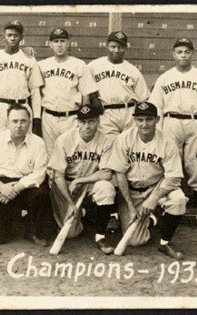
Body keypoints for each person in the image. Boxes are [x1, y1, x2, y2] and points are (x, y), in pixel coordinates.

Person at [148, 38, 197, 232]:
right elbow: (157, 107)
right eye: (179, 51)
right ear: (173, 55)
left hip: (196, 122)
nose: (183, 55)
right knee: (167, 168)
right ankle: (165, 211)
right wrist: (157, 133)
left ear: (192, 54)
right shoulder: (165, 77)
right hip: (170, 121)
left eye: (186, 51)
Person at [87, 31, 151, 233]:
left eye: (120, 46)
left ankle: (130, 206)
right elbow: (84, 90)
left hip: (128, 112)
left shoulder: (132, 70)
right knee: (111, 160)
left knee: (129, 158)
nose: (116, 50)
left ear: (126, 47)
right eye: (113, 46)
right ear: (106, 46)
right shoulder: (94, 66)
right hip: (106, 113)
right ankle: (112, 212)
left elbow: (143, 99)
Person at [106, 102, 187, 259]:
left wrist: (154, 199)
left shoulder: (167, 142)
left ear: (157, 119)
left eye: (149, 119)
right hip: (131, 191)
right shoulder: (124, 139)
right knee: (136, 241)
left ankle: (164, 243)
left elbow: (173, 175)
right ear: (134, 120)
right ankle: (151, 220)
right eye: (140, 119)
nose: (144, 124)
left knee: (179, 201)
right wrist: (130, 206)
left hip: (157, 187)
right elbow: (119, 174)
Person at [0, 103, 50, 246]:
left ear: (29, 123)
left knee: (41, 193)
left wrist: (15, 188)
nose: (19, 125)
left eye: (23, 121)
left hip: (22, 185)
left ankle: (32, 231)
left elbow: (39, 174)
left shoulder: (38, 143)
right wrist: (1, 187)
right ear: (7, 123)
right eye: (14, 121)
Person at [48, 104, 116, 254]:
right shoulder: (65, 139)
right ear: (77, 122)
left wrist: (79, 181)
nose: (87, 126)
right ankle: (85, 212)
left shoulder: (106, 140)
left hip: (89, 182)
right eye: (83, 122)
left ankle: (100, 236)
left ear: (98, 121)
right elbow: (57, 175)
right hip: (65, 184)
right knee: (72, 233)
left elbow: (106, 174)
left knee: (106, 188)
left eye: (91, 121)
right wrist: (70, 203)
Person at [0, 20, 44, 138]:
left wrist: (37, 119)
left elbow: (35, 93)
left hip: (21, 106)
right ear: (4, 36)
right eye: (9, 35)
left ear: (21, 38)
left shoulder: (29, 59)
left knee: (23, 145)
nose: (12, 38)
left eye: (16, 35)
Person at [38, 27, 98, 155]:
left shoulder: (79, 64)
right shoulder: (42, 65)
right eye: (56, 41)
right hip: (49, 117)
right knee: (50, 153)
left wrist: (84, 116)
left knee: (71, 152)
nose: (59, 45)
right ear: (50, 45)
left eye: (63, 41)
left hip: (71, 116)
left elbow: (85, 94)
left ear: (68, 43)